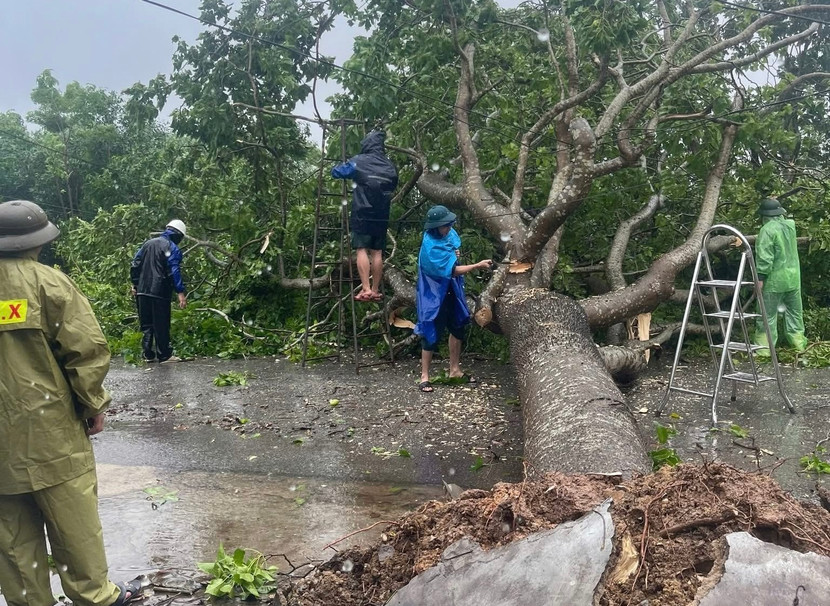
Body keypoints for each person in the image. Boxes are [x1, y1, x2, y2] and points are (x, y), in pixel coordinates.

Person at [0, 200, 143, 606]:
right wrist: (91, 405)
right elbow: (86, 352)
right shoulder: (50, 284)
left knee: (11, 537)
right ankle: (95, 596)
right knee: (74, 523)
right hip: (52, 434)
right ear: (38, 242)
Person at [415, 205, 492, 392]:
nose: (449, 228)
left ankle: (455, 370)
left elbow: (453, 249)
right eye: (445, 226)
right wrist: (477, 265)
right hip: (433, 292)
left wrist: (455, 254)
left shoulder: (447, 234)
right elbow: (452, 270)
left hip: (451, 289)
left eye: (449, 224)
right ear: (435, 227)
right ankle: (425, 376)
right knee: (431, 328)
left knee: (457, 326)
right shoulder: (430, 247)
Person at [331, 130, 398, 302]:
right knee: (377, 253)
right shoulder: (389, 165)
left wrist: (340, 165)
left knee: (361, 249)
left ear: (366, 145)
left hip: (362, 213)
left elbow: (337, 172)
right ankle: (375, 290)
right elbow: (393, 183)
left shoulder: (358, 161)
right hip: (382, 214)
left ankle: (366, 289)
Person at [753, 197, 808, 356]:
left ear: (763, 215)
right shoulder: (790, 226)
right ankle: (799, 346)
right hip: (793, 279)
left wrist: (760, 279)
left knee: (767, 316)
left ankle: (764, 351)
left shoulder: (767, 230)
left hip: (774, 281)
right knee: (795, 314)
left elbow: (765, 258)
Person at [130, 220, 188, 363]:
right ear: (179, 235)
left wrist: (135, 284)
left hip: (143, 291)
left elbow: (135, 264)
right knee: (161, 323)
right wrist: (180, 292)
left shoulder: (147, 244)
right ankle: (165, 355)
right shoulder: (171, 247)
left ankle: (148, 355)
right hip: (159, 291)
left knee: (146, 324)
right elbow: (173, 270)